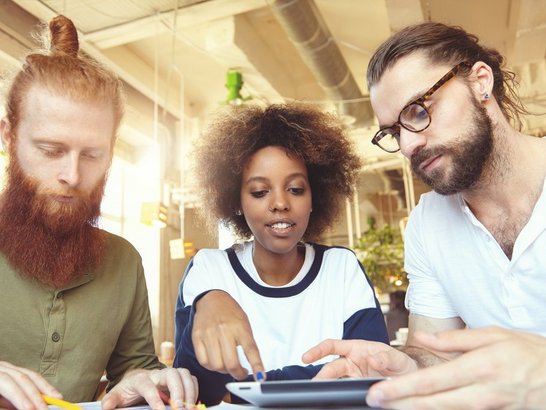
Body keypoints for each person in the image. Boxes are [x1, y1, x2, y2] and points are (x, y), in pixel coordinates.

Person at [301, 21, 546, 409]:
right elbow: (437, 355)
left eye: (418, 111)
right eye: (394, 132)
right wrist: (401, 366)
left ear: (481, 81)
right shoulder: (427, 222)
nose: (409, 144)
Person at [0, 15, 197, 410]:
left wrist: (146, 380)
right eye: (51, 150)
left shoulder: (123, 262)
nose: (72, 176)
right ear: (8, 136)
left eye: (92, 155)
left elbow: (133, 369)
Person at [173, 103, 389, 405]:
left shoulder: (342, 268)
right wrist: (206, 303)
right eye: (260, 192)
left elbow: (372, 371)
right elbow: (196, 391)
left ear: (315, 196)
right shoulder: (209, 271)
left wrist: (249, 389)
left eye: (296, 189)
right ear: (236, 201)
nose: (280, 203)